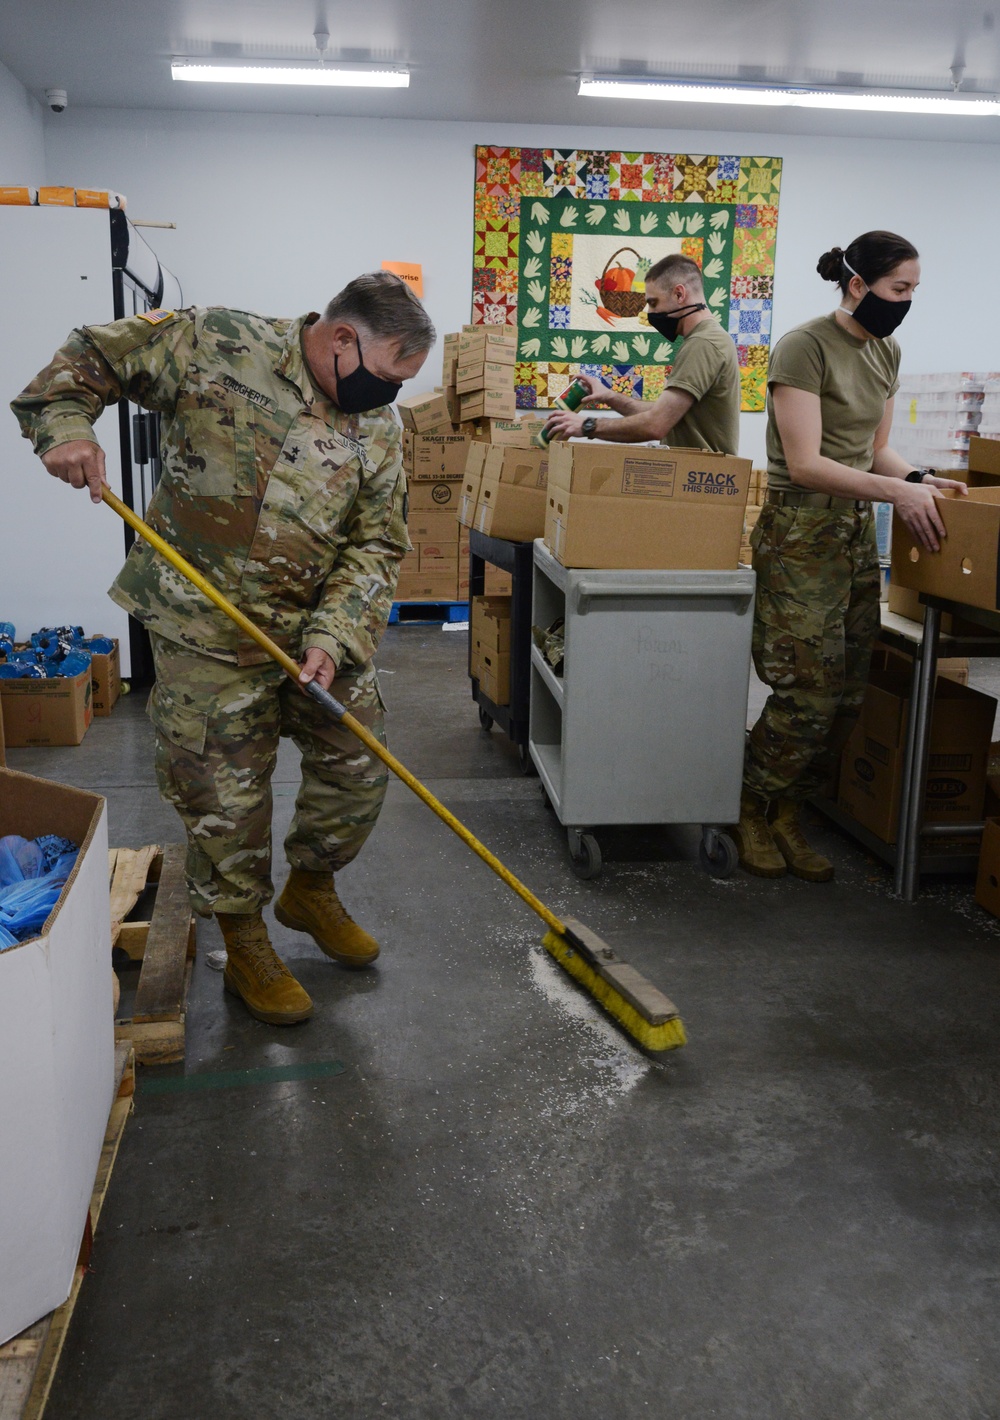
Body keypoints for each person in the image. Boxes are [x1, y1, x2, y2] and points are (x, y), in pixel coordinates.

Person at [12, 272, 434, 1023]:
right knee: (224, 803)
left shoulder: (380, 427)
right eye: (385, 376)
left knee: (359, 761)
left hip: (314, 634)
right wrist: (67, 428)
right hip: (205, 632)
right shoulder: (215, 342)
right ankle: (244, 940)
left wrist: (335, 637)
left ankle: (312, 889)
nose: (388, 397)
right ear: (342, 340)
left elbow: (376, 543)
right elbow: (86, 360)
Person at [734, 230, 968, 882]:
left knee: (847, 692)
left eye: (914, 290)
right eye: (899, 289)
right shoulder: (804, 347)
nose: (907, 301)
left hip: (855, 532)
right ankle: (749, 806)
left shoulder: (886, 351)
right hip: (801, 531)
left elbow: (873, 452)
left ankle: (789, 812)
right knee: (804, 689)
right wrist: (895, 489)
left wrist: (917, 480)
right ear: (857, 284)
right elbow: (806, 464)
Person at [543, 252, 741, 454]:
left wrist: (586, 425)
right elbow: (661, 413)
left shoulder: (703, 343)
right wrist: (608, 396)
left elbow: (656, 424)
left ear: (679, 294)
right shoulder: (707, 339)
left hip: (701, 479)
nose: (650, 313)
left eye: (653, 303)